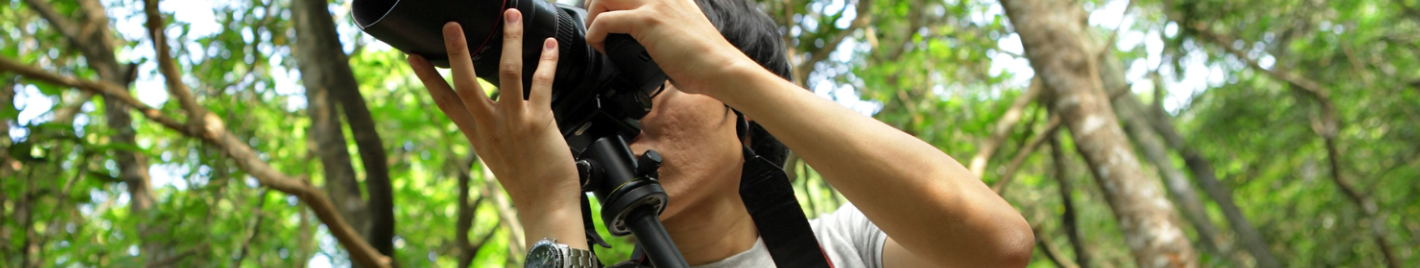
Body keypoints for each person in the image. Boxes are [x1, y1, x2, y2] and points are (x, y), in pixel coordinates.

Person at [404, 0, 1034, 266]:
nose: (624, 111)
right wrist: (546, 213)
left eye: (648, 74)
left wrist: (729, 67)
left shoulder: (851, 245)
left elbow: (996, 245)